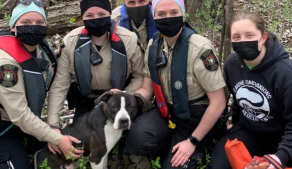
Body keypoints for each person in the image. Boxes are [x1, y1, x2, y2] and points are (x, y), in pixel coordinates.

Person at [124, 0, 227, 168]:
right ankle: (171, 145)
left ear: (183, 13)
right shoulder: (153, 46)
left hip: (194, 119)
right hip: (167, 113)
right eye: (161, 14)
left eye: (174, 12)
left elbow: (218, 102)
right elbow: (146, 89)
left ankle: (200, 147)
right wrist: (124, 99)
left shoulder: (199, 48)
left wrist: (192, 141)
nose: (168, 18)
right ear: (154, 16)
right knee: (136, 139)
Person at [0, 1, 83, 168]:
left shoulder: (42, 49)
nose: (33, 27)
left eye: (39, 22)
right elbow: (19, 114)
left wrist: (53, 129)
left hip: (22, 123)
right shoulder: (5, 64)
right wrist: (57, 139)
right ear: (14, 26)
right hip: (0, 126)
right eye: (25, 23)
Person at [46, 0, 144, 154]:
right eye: (89, 15)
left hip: (121, 102)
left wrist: (124, 95)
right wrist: (53, 126)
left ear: (110, 15)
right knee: (81, 147)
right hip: (88, 101)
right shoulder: (71, 42)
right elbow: (59, 85)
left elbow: (140, 76)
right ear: (82, 17)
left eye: (101, 14)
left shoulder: (129, 40)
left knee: (134, 142)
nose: (96, 18)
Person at [209, 11, 292, 169]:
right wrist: (235, 120)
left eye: (249, 35)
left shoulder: (285, 73)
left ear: (263, 37)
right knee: (218, 165)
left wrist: (279, 157)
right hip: (249, 130)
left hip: (282, 136)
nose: (243, 42)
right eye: (236, 37)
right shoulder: (231, 64)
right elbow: (237, 97)